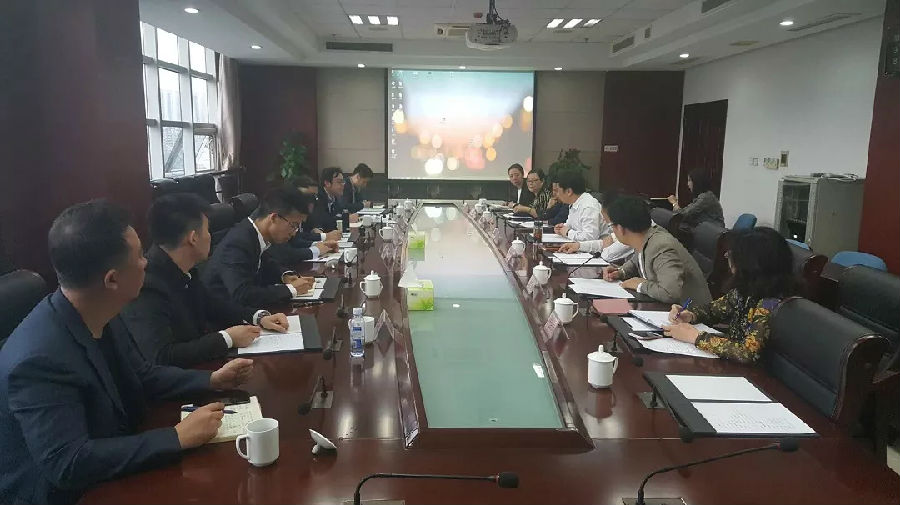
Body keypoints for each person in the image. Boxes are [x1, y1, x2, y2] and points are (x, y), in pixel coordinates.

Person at [0, 201, 253, 505]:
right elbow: (68, 463)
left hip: (116, 454)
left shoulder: (101, 310)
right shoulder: (39, 359)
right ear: (112, 279)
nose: (146, 262)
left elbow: (142, 374)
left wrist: (211, 380)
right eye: (139, 257)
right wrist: (175, 437)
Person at [121, 194, 292, 367]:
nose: (211, 237)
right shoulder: (148, 285)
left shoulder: (183, 269)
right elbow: (161, 356)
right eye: (208, 230)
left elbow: (214, 306)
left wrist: (258, 317)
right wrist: (227, 338)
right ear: (193, 238)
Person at [662, 227, 793, 363]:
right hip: (729, 364)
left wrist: (696, 337)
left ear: (750, 263)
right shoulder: (747, 289)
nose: (727, 257)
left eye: (733, 254)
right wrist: (690, 315)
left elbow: (747, 352)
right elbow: (713, 310)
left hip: (748, 373)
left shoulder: (770, 303)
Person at [202, 188, 316, 307]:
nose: (294, 233)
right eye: (293, 225)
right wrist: (290, 289)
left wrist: (285, 276)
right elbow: (242, 294)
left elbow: (266, 263)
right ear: (273, 218)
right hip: (224, 313)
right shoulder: (238, 243)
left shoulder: (254, 234)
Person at [601, 196, 711, 305]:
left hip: (689, 311)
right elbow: (638, 260)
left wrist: (640, 285)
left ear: (620, 228)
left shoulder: (661, 246)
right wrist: (620, 272)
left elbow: (670, 293)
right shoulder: (645, 237)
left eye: (611, 226)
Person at [557, 191, 634, 263]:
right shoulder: (625, 230)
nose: (603, 220)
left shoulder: (631, 237)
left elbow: (607, 255)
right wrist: (579, 246)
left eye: (609, 224)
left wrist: (568, 232)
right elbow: (603, 243)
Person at [552, 169, 605, 241]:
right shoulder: (574, 203)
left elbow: (590, 237)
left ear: (569, 191)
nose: (557, 194)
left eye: (558, 191)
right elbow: (571, 225)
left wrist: (567, 232)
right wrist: (561, 228)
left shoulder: (588, 206)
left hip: (601, 247)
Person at [308, 167, 358, 232]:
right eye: (339, 182)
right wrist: (345, 219)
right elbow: (323, 221)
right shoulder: (317, 198)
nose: (343, 185)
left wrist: (346, 217)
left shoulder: (334, 198)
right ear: (327, 183)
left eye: (343, 181)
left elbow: (339, 213)